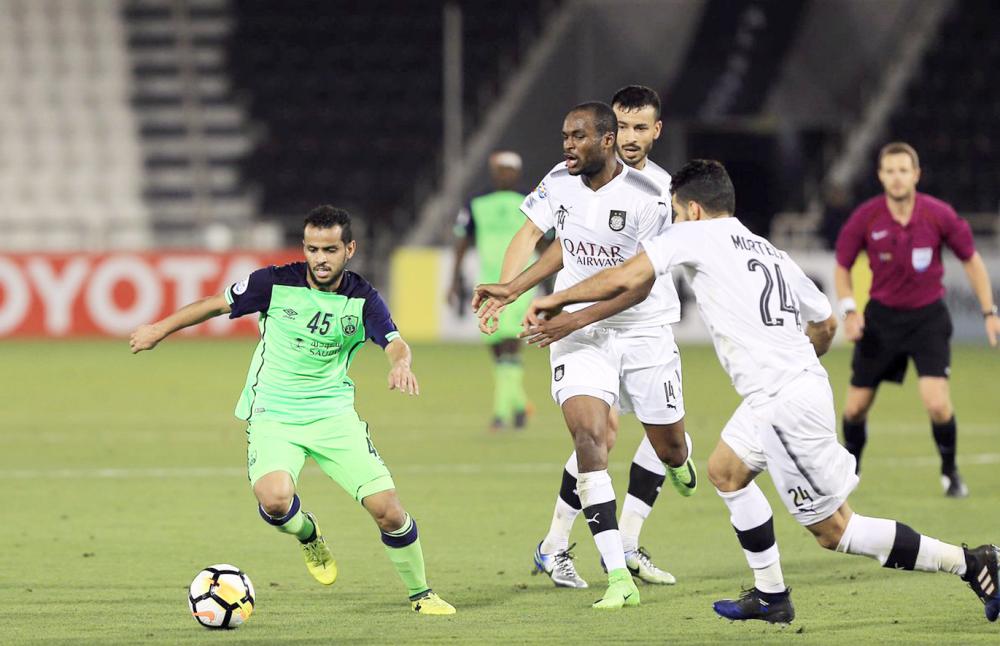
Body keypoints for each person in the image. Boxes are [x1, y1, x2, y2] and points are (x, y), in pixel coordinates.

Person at [520, 159, 1000, 624]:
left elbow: (626, 275)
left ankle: (972, 562)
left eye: (676, 211)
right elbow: (825, 322)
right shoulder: (769, 250)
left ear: (693, 209)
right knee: (725, 471)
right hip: (780, 393)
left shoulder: (694, 233)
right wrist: (798, 365)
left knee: (837, 530)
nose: (672, 219)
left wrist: (555, 298)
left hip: (784, 402)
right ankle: (771, 595)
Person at [129, 206, 456, 616]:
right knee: (276, 500)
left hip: (332, 416)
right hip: (274, 413)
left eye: (330, 249)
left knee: (388, 511)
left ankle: (422, 594)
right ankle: (308, 534)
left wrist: (400, 364)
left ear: (349, 249)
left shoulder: (363, 299)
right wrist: (159, 329)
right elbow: (215, 304)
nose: (320, 258)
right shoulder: (273, 283)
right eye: (312, 249)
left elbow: (394, 341)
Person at [475, 100, 696, 609]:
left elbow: (637, 284)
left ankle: (567, 539)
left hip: (642, 329)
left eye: (578, 138)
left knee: (670, 448)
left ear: (610, 140)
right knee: (592, 437)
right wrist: (509, 291)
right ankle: (617, 571)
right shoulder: (560, 180)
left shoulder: (654, 193)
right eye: (565, 137)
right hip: (579, 332)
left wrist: (568, 313)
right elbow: (548, 239)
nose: (567, 146)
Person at [834, 142, 1000, 497]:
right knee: (855, 408)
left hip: (928, 319)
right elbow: (842, 266)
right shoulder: (866, 217)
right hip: (881, 320)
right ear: (880, 176)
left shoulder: (939, 214)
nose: (897, 177)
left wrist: (989, 312)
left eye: (903, 170)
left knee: (937, 404)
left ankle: (950, 471)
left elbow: (971, 260)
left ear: (916, 175)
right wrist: (849, 310)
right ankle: (850, 469)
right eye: (890, 171)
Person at [448, 150, 535, 432]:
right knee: (497, 347)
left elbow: (546, 241)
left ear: (517, 172)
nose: (503, 173)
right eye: (500, 168)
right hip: (488, 283)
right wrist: (453, 280)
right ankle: (519, 405)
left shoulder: (532, 200)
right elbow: (462, 241)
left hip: (520, 283)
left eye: (508, 169)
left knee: (510, 343)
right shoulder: (475, 202)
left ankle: (500, 414)